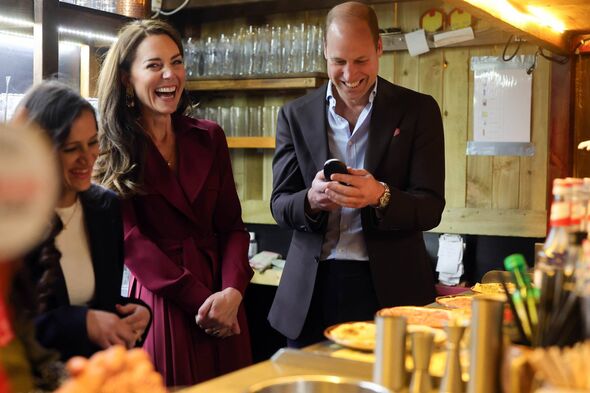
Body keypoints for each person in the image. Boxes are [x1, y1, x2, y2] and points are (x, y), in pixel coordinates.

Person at [268, 1, 446, 347]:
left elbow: (430, 208)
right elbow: (279, 204)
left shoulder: (418, 110)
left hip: (390, 290)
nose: (350, 75)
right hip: (310, 293)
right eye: (339, 62)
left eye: (361, 60)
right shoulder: (295, 115)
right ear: (324, 53)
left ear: (379, 48)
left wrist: (380, 195)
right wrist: (310, 200)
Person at [94, 19, 253, 386]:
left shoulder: (209, 136)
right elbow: (133, 245)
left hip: (224, 299)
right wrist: (203, 301)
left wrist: (232, 291)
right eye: (154, 65)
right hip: (165, 303)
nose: (171, 74)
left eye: (176, 61)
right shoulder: (111, 150)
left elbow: (232, 226)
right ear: (125, 79)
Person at [15, 81, 152, 361]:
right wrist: (82, 323)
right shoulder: (15, 223)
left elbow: (103, 301)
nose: (87, 158)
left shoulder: (105, 208)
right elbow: (12, 330)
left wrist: (137, 312)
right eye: (71, 148)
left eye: (92, 142)